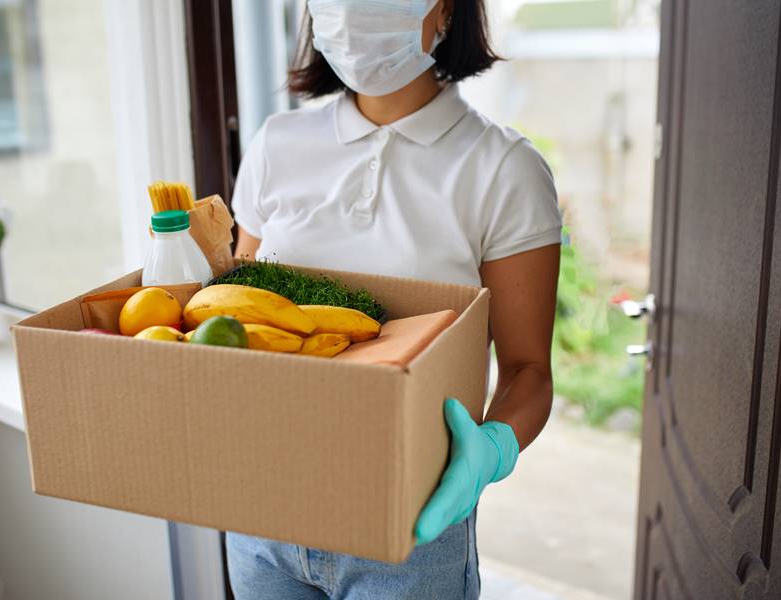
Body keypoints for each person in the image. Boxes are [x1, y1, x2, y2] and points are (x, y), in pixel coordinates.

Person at [227, 0, 562, 597]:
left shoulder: (503, 168)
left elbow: (528, 370)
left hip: (410, 531)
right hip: (262, 514)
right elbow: (235, 309)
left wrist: (492, 448)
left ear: (448, 11)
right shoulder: (277, 144)